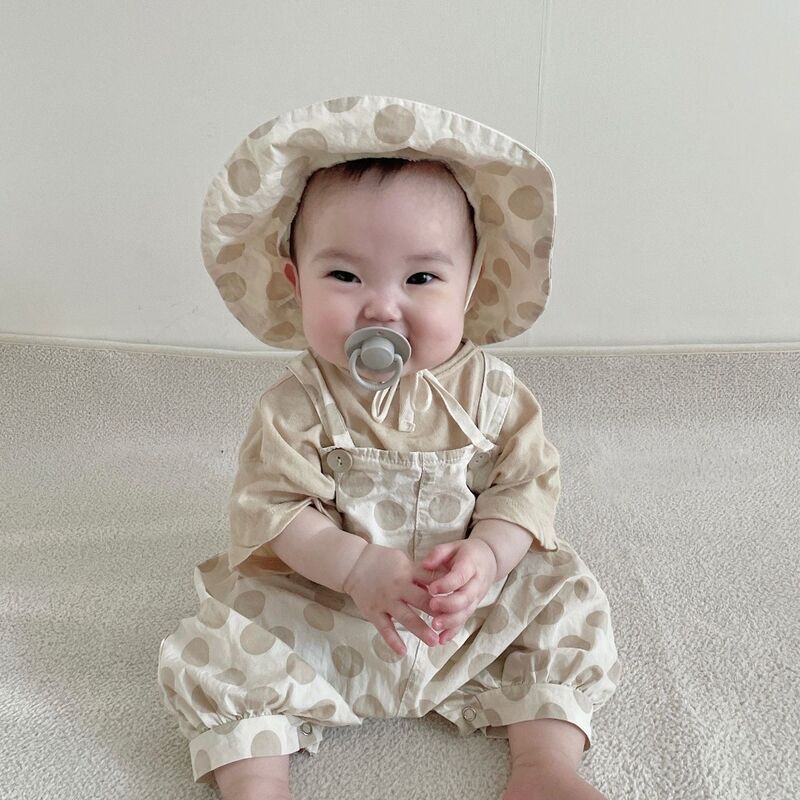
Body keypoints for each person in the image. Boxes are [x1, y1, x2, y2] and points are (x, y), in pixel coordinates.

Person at [157, 95, 623, 800]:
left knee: (562, 595)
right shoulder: (297, 404)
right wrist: (353, 567)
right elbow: (273, 510)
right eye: (344, 276)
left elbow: (525, 488)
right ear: (295, 282)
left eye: (421, 278)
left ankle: (544, 766)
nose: (381, 307)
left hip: (462, 616)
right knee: (225, 639)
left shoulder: (494, 395)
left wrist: (488, 555)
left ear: (470, 285)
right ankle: (257, 782)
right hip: (328, 611)